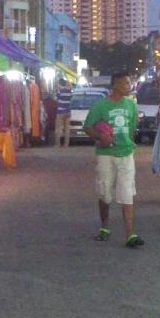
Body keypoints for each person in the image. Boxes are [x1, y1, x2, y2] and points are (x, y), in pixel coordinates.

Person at [84, 72, 144, 248]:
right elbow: (87, 127)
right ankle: (105, 227)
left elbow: (132, 128)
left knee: (127, 193)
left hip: (126, 154)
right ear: (116, 85)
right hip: (106, 155)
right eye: (126, 83)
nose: (129, 86)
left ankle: (130, 234)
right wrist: (101, 137)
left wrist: (127, 142)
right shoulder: (100, 106)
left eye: (129, 83)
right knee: (105, 193)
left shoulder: (131, 105)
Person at [55, 78, 72, 148]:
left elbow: (56, 98)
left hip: (61, 112)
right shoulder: (69, 92)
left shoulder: (60, 91)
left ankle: (58, 144)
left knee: (58, 128)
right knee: (67, 129)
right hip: (68, 112)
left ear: (60, 84)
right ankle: (66, 144)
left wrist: (58, 89)